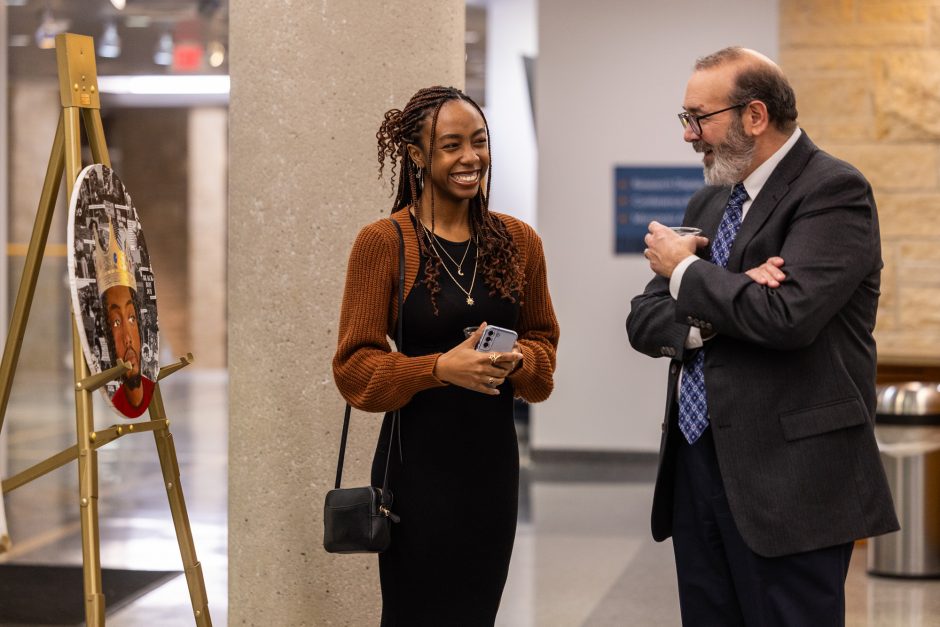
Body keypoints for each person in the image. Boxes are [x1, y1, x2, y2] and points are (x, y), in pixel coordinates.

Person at [626, 47, 898, 626]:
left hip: (791, 482)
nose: (689, 135)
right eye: (686, 118)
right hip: (697, 467)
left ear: (754, 115)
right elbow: (644, 321)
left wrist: (688, 274)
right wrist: (727, 293)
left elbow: (787, 317)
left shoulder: (833, 191)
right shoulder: (710, 199)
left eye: (700, 118)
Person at [333, 85, 559, 625]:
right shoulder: (385, 243)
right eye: (451, 145)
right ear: (417, 156)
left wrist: (519, 362)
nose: (470, 158)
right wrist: (437, 367)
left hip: (492, 471)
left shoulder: (518, 241)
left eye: (478, 142)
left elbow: (544, 352)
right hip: (415, 476)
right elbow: (354, 369)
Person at [94, 217, 154, 418]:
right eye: (117, 322)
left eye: (131, 319)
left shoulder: (149, 385)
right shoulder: (115, 398)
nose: (128, 337)